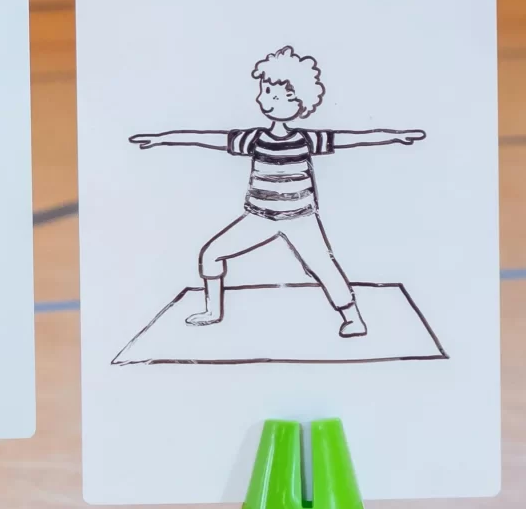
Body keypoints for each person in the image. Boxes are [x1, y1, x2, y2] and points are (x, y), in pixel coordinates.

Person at [130, 46, 422, 337]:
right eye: (265, 92)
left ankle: (353, 318)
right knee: (211, 254)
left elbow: (354, 138)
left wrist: (395, 137)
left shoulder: (307, 139)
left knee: (324, 267)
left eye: (274, 95)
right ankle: (213, 311)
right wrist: (161, 138)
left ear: (298, 102)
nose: (263, 99)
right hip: (259, 218)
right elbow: (206, 138)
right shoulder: (255, 139)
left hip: (301, 219)